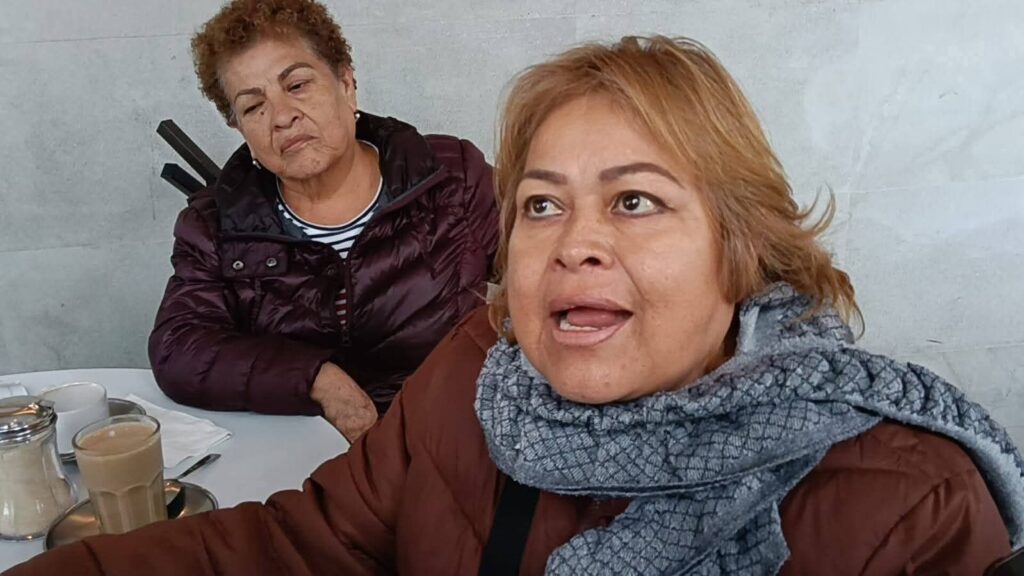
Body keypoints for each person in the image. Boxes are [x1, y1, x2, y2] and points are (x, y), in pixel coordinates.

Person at [10, 35, 1024, 575]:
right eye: (541, 204)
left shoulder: (907, 508)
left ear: (742, 244)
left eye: (635, 200)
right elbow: (307, 543)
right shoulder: (473, 370)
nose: (574, 242)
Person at [148, 0, 498, 440]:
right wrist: (315, 379)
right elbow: (179, 348)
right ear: (239, 128)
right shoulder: (215, 225)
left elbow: (548, 270)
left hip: (450, 442)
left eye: (297, 85)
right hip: (306, 454)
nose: (282, 117)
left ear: (346, 84)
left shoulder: (451, 178)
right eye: (253, 107)